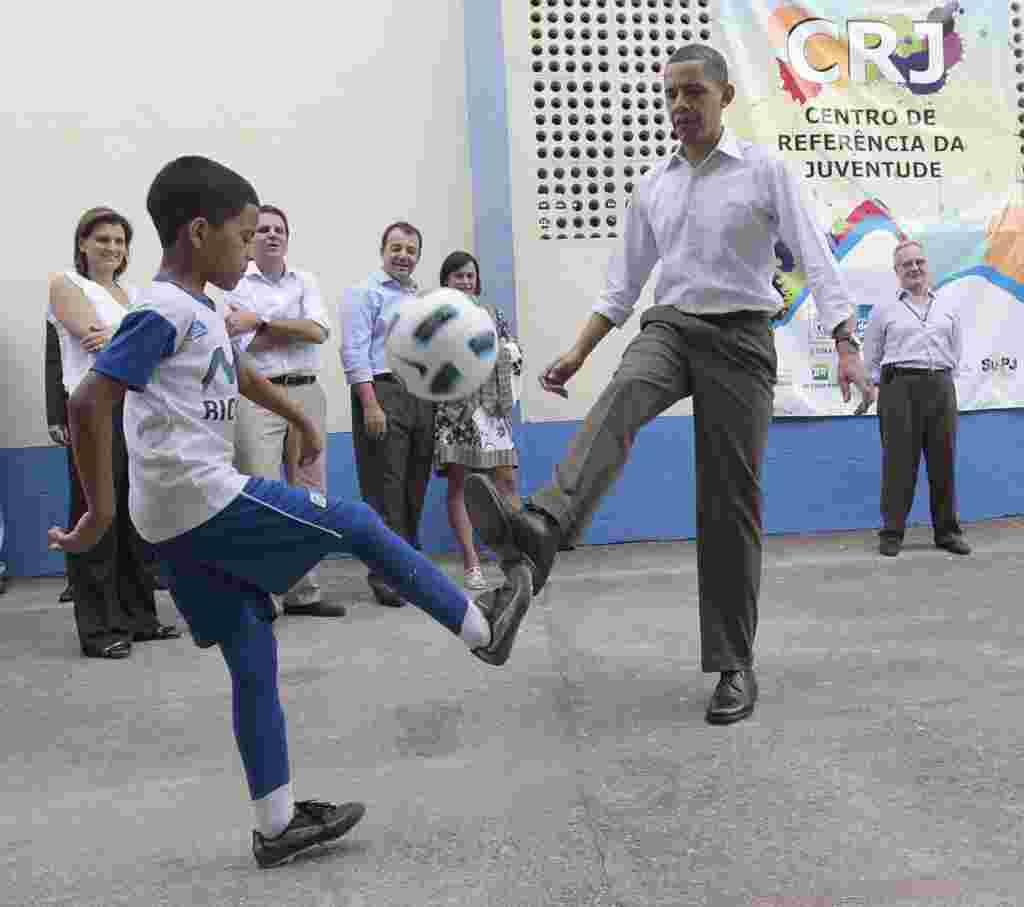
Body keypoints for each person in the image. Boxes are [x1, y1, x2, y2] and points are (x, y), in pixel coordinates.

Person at [47, 156, 533, 869]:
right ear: (199, 231)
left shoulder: (201, 306)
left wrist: (294, 417)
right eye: (243, 236)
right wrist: (97, 511)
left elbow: (233, 370)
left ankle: (276, 825)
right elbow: (90, 399)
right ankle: (483, 628)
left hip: (174, 516)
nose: (249, 251)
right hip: (200, 497)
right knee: (358, 523)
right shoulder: (160, 310)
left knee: (252, 653)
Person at [462, 44, 874, 726]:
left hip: (741, 339)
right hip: (672, 328)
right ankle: (542, 524)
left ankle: (733, 663)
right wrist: (576, 351)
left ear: (725, 97)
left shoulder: (764, 169)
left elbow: (815, 256)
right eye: (671, 96)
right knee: (624, 393)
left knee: (727, 502)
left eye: (693, 94)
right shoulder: (654, 185)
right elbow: (622, 287)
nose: (680, 108)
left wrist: (846, 341)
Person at [47, 207, 180, 658]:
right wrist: (135, 338)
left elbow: (155, 346)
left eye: (120, 241)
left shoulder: (133, 293)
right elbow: (87, 333)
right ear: (83, 243)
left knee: (134, 518)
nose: (112, 248)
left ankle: (140, 618)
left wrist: (120, 337)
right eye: (102, 239)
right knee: (96, 516)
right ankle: (100, 630)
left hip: (136, 410)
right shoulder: (67, 284)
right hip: (93, 409)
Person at [224, 205, 343, 617]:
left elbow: (319, 332)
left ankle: (303, 592)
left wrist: (260, 322)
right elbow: (246, 347)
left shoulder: (306, 280)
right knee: (264, 494)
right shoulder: (235, 287)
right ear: (250, 239)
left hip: (308, 394)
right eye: (263, 230)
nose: (272, 235)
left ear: (287, 239)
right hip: (260, 397)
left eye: (279, 230)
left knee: (311, 496)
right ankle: (266, 596)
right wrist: (287, 326)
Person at [339, 222, 436, 608]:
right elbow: (353, 351)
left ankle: (408, 566)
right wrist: (369, 403)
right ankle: (384, 574)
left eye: (411, 250)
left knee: (414, 485)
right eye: (396, 248)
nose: (403, 256)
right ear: (383, 251)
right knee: (385, 488)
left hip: (419, 395)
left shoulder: (420, 299)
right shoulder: (364, 293)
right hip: (381, 390)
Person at [861, 239, 970, 557]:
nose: (914, 268)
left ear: (927, 265)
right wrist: (873, 388)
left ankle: (948, 532)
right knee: (898, 462)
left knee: (943, 460)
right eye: (906, 264)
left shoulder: (948, 306)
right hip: (899, 387)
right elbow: (871, 357)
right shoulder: (884, 310)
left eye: (918, 262)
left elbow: (957, 350)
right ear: (897, 271)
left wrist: (941, 379)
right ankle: (892, 533)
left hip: (940, 384)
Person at [433, 252, 523, 590]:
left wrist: (505, 351)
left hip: (492, 409)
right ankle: (471, 562)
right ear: (446, 281)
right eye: (458, 276)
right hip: (456, 412)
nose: (466, 281)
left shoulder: (493, 314)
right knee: (459, 486)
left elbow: (513, 350)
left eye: (471, 275)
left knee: (507, 482)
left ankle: (515, 556)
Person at [45, 321, 74, 603]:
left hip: (128, 407)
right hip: (77, 405)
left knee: (131, 495)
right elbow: (54, 359)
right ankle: (79, 580)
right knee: (84, 499)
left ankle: (145, 573)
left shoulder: (128, 294)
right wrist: (55, 414)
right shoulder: (65, 292)